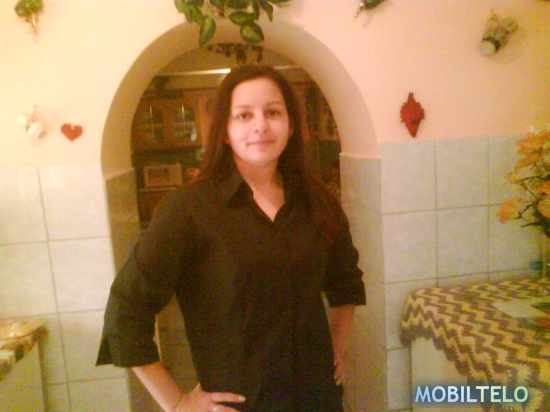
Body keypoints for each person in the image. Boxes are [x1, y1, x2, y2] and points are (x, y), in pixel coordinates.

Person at [97, 64, 366, 412]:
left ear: (291, 125)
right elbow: (126, 309)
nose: (260, 125)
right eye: (243, 115)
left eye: (273, 112)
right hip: (242, 404)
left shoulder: (316, 201)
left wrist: (335, 346)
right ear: (224, 131)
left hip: (317, 398)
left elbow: (346, 281)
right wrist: (177, 403)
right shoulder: (189, 208)